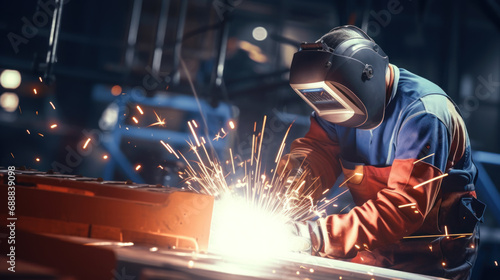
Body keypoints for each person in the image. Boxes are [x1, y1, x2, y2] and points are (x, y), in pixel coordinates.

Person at [280, 25, 486, 280]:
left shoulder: (423, 113)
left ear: (367, 75)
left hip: (431, 257)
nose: (333, 112)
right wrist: (289, 189)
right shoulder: (336, 97)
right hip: (372, 244)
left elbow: (404, 207)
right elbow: (317, 153)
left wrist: (317, 236)